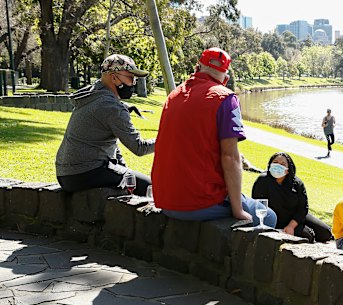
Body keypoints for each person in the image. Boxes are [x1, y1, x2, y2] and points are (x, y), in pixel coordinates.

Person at [151, 47, 276, 227]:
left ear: (197, 68)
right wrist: (238, 209)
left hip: (165, 201)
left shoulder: (173, 95)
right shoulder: (225, 98)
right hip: (198, 203)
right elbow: (230, 157)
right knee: (269, 217)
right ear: (225, 78)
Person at [55, 54, 155, 196]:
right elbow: (139, 147)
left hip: (66, 174)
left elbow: (111, 143)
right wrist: (168, 138)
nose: (133, 83)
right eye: (130, 78)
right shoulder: (111, 106)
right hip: (86, 172)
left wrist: (125, 170)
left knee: (131, 180)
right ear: (114, 77)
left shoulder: (93, 95)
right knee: (151, 188)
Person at [252, 152, 333, 243]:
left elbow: (303, 207)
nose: (278, 166)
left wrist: (292, 226)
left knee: (325, 233)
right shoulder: (262, 181)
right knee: (308, 236)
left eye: (282, 164)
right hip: (277, 220)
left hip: (296, 215)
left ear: (288, 169)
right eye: (275, 162)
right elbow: (258, 205)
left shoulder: (297, 183)